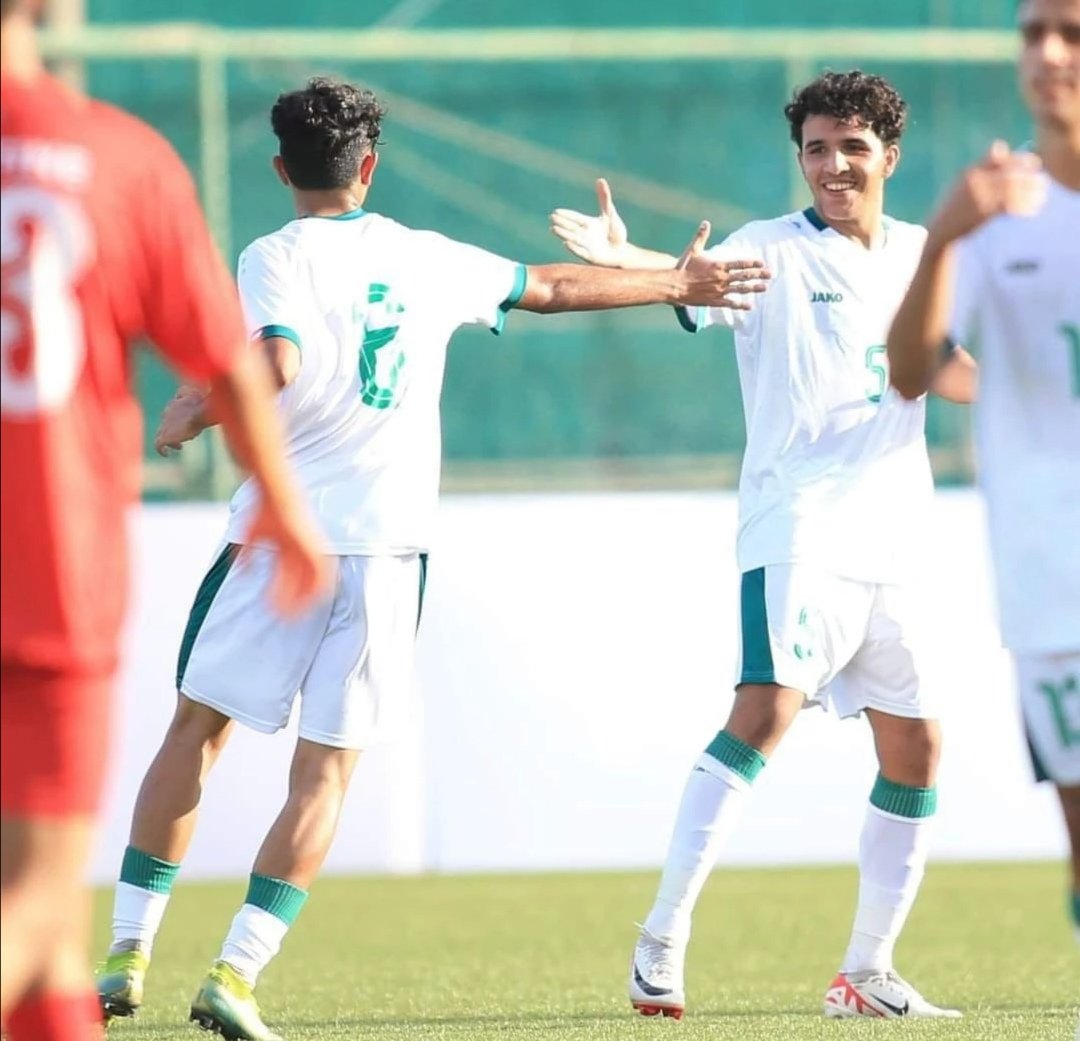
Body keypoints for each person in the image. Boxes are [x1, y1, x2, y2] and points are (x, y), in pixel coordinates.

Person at [94, 77, 772, 1041]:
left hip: (277, 540)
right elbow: (550, 287)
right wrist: (673, 283)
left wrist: (195, 408)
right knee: (324, 772)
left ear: (281, 168)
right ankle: (235, 974)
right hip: (386, 548)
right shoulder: (428, 256)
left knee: (197, 732)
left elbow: (277, 361)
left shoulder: (272, 253)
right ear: (370, 166)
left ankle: (127, 953)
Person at [551, 69, 976, 1020]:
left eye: (852, 147)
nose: (833, 165)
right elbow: (697, 281)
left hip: (899, 537)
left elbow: (943, 366)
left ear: (889, 156)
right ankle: (661, 937)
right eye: (817, 149)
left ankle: (866, 971)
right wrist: (634, 260)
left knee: (918, 747)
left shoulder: (919, 252)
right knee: (765, 711)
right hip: (801, 525)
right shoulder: (770, 248)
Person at [0, 2, 330, 1040]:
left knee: (49, 941)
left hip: (53, 578)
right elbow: (226, 360)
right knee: (36, 899)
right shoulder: (116, 158)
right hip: (48, 572)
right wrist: (285, 507)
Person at [887, 0, 1080, 946]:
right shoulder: (996, 216)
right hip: (1051, 571)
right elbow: (909, 371)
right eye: (1032, 31)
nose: (1047, 52)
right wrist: (943, 236)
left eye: (1071, 32)